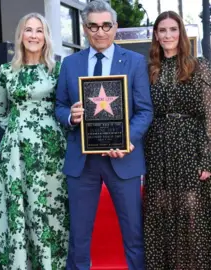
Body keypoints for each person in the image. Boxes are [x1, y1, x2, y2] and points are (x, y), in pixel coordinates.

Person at [55, 1, 153, 269]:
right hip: (82, 162)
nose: (100, 32)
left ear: (115, 27)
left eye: (106, 25)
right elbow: (60, 106)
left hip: (123, 159)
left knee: (134, 234)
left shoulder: (134, 62)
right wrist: (69, 116)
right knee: (79, 236)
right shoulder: (70, 63)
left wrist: (128, 140)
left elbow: (144, 110)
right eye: (93, 26)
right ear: (85, 29)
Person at [143, 11, 211, 269]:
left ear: (181, 33)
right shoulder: (150, 69)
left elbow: (209, 115)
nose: (168, 35)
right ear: (156, 35)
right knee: (160, 213)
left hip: (189, 147)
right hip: (157, 147)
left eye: (172, 29)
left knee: (192, 215)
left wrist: (206, 158)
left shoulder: (197, 65)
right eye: (162, 30)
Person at [0, 13, 69, 270]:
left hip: (51, 152)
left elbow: (65, 108)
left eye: (39, 30)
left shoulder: (58, 69)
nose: (33, 35)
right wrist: (18, 132)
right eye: (28, 30)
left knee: (49, 209)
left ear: (46, 37)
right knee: (18, 209)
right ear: (20, 35)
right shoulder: (6, 72)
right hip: (16, 153)